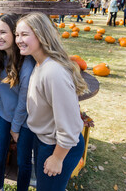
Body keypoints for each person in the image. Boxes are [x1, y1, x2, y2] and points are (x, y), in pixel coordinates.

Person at [15, 13, 88, 191]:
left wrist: (57, 158)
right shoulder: (39, 63)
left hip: (60, 146)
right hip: (46, 140)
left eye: (24, 34)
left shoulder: (54, 72)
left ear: (41, 35)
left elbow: (70, 125)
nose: (18, 40)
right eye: (17, 35)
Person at [0, 14, 36, 191]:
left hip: (23, 121)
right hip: (2, 114)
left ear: (15, 34)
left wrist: (15, 127)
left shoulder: (27, 63)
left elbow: (24, 101)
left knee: (23, 162)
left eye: (3, 32)